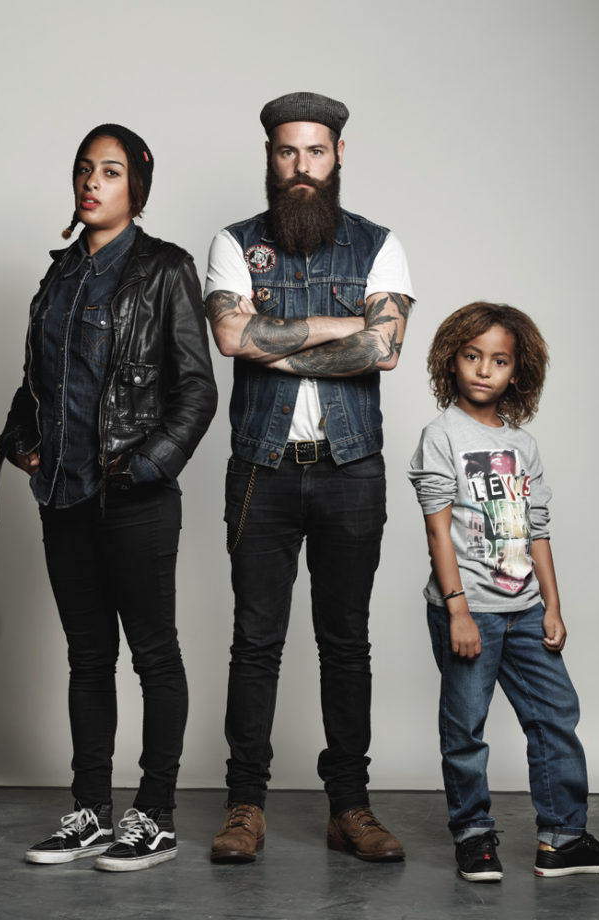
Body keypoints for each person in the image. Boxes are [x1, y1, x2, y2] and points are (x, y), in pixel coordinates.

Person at [0, 124, 217, 871]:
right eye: (85, 169)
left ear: (137, 187)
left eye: (111, 171)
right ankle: (90, 811)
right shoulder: (59, 273)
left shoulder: (165, 269)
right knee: (88, 657)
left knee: (154, 655)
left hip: (135, 498)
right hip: (63, 495)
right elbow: (35, 383)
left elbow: (197, 390)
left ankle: (154, 815)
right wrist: (21, 442)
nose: (92, 182)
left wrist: (146, 466)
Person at [204, 91, 414, 863]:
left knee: (345, 642)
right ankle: (244, 807)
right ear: (270, 157)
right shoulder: (234, 244)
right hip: (260, 470)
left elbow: (384, 350)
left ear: (338, 156)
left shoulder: (379, 245)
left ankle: (350, 808)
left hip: (350, 470)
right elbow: (232, 337)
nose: (302, 166)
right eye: (288, 151)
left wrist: (279, 342)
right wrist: (345, 327)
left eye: (315, 151)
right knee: (255, 642)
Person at [408, 302, 599, 881]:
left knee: (555, 715)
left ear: (518, 372)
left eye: (498, 360)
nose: (483, 370)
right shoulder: (441, 435)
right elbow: (437, 530)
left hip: (524, 610)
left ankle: (562, 838)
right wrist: (458, 611)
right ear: (451, 361)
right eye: (472, 356)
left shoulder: (525, 445)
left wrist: (553, 606)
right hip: (470, 608)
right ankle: (473, 837)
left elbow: (537, 530)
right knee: (465, 728)